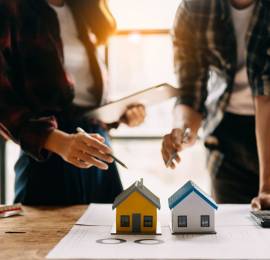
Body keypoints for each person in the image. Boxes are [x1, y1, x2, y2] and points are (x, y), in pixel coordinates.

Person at [0, 0, 145, 205]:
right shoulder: (11, 8)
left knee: (108, 233)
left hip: (98, 155)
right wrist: (57, 141)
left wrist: (120, 113)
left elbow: (82, 98)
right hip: (48, 160)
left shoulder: (82, 9)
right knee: (47, 236)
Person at [162, 0, 270, 209]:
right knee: (232, 229)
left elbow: (266, 95)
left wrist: (266, 187)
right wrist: (180, 134)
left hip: (266, 127)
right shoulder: (194, 7)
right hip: (225, 134)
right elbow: (190, 91)